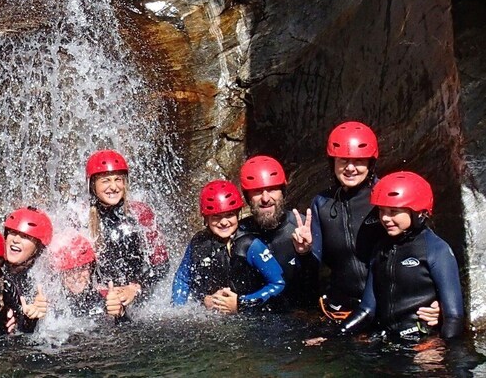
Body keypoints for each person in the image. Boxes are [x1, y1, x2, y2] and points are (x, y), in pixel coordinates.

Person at [292, 121, 440, 325]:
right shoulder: (322, 203)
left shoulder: (388, 196)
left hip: (389, 308)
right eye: (343, 160)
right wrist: (304, 251)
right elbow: (312, 270)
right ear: (332, 162)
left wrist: (437, 302)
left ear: (371, 163)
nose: (350, 168)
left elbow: (426, 249)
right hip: (343, 311)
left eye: (359, 161)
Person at [341, 172, 464, 340]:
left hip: (422, 344)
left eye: (394, 211)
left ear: (418, 213)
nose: (385, 218)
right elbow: (367, 310)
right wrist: (333, 336)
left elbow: (454, 318)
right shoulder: (380, 248)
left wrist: (441, 351)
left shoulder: (437, 250)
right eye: (382, 210)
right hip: (386, 340)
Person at [171, 180, 285, 312]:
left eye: (229, 215)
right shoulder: (198, 242)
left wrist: (241, 304)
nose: (224, 222)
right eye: (216, 217)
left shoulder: (250, 245)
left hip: (251, 315)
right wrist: (188, 307)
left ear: (238, 214)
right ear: (206, 218)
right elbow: (182, 278)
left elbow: (278, 284)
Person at [86, 149, 169, 310]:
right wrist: (103, 295)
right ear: (93, 185)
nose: (114, 186)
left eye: (118, 179)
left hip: (138, 299)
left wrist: (135, 288)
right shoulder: (81, 218)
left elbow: (162, 264)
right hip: (100, 302)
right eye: (105, 181)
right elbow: (76, 274)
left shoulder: (140, 213)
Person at [238, 155, 318, 309]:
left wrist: (305, 254)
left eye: (272, 189)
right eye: (257, 191)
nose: (265, 198)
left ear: (283, 192)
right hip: (253, 318)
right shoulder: (238, 233)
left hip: (297, 317)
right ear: (248, 197)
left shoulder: (302, 228)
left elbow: (318, 285)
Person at [49, 231, 125, 319]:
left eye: (82, 268)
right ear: (60, 274)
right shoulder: (51, 304)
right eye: (69, 271)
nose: (76, 276)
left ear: (91, 268)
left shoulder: (107, 298)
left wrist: (119, 313)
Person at [3, 206, 52, 332]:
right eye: (12, 232)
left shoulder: (39, 282)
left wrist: (34, 317)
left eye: (25, 236)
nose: (16, 240)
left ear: (37, 248)